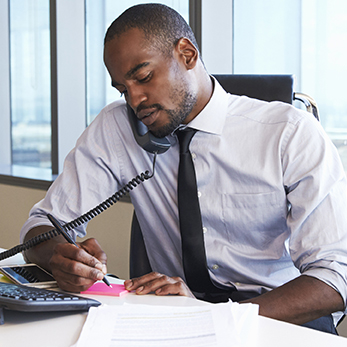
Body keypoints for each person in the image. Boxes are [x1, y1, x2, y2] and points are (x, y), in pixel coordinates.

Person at [20, 4, 347, 333]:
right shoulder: (118, 129)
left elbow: (335, 277)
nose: (135, 100)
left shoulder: (289, 132)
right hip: (177, 312)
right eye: (123, 89)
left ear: (187, 54)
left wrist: (215, 317)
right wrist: (59, 256)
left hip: (278, 315)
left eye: (144, 77)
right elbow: (42, 224)